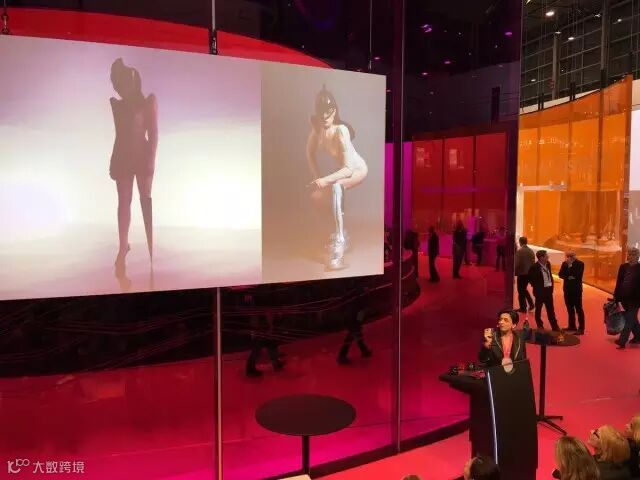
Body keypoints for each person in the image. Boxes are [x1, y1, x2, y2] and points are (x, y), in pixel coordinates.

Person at [307, 86, 367, 270]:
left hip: (356, 169)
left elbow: (348, 169)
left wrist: (324, 180)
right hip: (342, 170)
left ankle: (340, 241)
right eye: (321, 112)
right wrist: (317, 177)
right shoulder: (318, 131)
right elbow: (309, 154)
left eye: (328, 111)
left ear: (334, 110)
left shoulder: (341, 130)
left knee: (336, 187)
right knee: (317, 197)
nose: (325, 116)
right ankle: (338, 231)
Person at [109, 58, 158, 273]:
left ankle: (151, 251)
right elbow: (121, 135)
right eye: (116, 84)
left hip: (142, 156)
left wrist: (151, 161)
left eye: (121, 84)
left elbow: (153, 134)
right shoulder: (116, 105)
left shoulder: (148, 102)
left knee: (145, 200)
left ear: (132, 81)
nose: (118, 89)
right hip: (122, 157)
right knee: (124, 203)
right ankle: (123, 247)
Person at [613, 247, 640, 349]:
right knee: (632, 319)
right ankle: (638, 336)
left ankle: (622, 341)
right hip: (624, 297)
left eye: (633, 254)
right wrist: (616, 296)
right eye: (629, 254)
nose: (630, 256)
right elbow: (619, 282)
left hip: (636, 299)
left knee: (629, 319)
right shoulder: (623, 267)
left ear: (637, 256)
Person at [529, 250, 561, 331]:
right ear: (541, 257)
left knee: (551, 310)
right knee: (538, 310)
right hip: (539, 292)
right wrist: (537, 287)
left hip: (548, 291)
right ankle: (540, 325)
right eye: (546, 255)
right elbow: (531, 279)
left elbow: (549, 275)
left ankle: (555, 326)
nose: (548, 257)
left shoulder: (548, 264)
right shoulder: (534, 267)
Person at [559, 251, 586, 334]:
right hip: (567, 290)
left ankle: (581, 328)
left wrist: (570, 266)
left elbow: (578, 275)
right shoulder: (564, 264)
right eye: (568, 256)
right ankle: (572, 326)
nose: (569, 257)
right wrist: (569, 276)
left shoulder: (580, 264)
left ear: (575, 256)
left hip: (576, 290)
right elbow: (560, 274)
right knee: (570, 309)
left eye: (571, 255)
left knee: (579, 309)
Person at [515, 237, 536, 313]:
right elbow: (533, 263)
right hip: (529, 274)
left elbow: (516, 263)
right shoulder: (531, 251)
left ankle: (523, 308)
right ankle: (531, 304)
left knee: (521, 291)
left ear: (520, 242)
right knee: (524, 289)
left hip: (522, 274)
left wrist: (514, 272)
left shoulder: (519, 251)